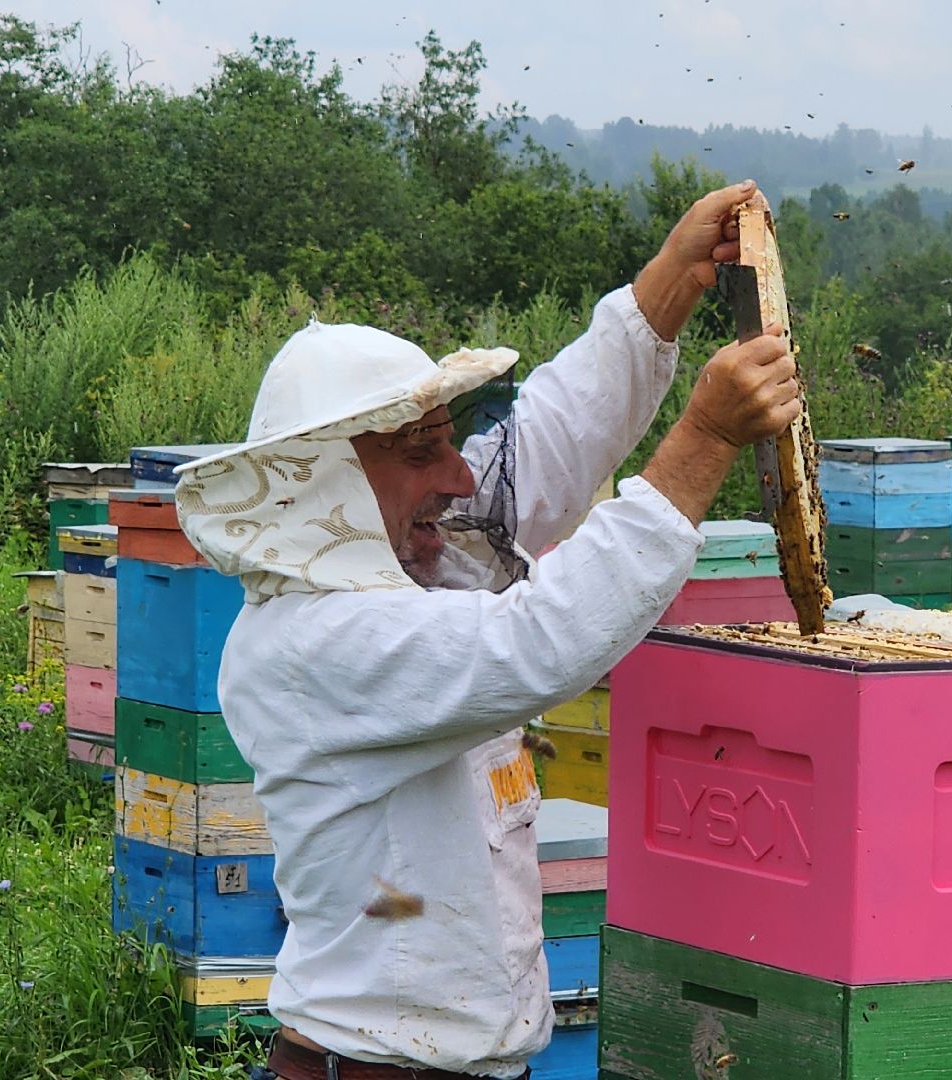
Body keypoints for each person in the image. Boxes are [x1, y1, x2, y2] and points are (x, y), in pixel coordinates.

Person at [171, 181, 798, 1080]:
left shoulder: (400, 563)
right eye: (424, 449)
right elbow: (537, 644)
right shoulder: (322, 645)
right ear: (331, 484)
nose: (459, 480)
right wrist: (702, 439)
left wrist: (666, 288)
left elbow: (539, 448)